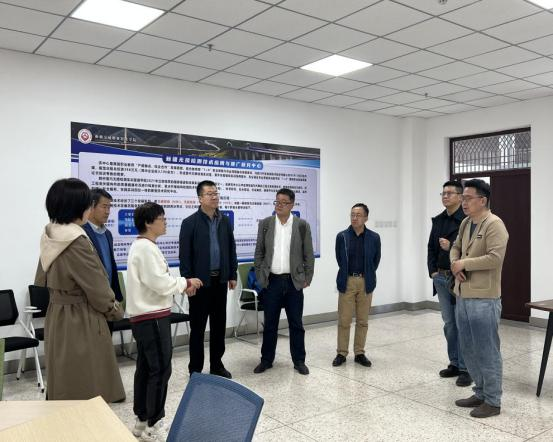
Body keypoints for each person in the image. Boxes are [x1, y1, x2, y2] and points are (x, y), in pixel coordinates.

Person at [35, 178, 125, 402]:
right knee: (85, 381)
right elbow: (97, 287)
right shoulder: (76, 240)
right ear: (79, 207)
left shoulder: (50, 235)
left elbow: (41, 279)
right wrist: (115, 310)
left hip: (57, 314)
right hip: (80, 317)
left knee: (62, 374)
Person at [127, 202, 202, 441]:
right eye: (162, 218)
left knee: (146, 369)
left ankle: (141, 421)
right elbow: (159, 282)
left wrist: (180, 284)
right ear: (149, 223)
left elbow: (158, 280)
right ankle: (154, 423)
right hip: (152, 317)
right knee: (160, 370)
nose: (165, 222)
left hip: (145, 317)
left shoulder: (142, 246)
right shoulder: (145, 248)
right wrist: (185, 283)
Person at [451, 179, 509, 418]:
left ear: (482, 200)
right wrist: (455, 264)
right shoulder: (466, 223)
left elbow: (495, 258)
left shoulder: (495, 224)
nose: (463, 202)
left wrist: (464, 263)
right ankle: (481, 392)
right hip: (463, 295)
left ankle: (493, 401)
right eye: (462, 198)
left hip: (484, 298)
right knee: (468, 348)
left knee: (487, 350)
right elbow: (455, 247)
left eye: (467, 198)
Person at [253, 188, 315, 375]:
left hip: (293, 282)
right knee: (270, 324)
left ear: (292, 204)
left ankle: (299, 361)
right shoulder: (266, 224)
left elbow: (308, 254)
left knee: (296, 324)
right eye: (277, 202)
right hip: (271, 281)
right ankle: (266, 360)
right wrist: (261, 276)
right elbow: (259, 252)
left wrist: (307, 278)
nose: (279, 205)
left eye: (283, 202)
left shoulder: (301, 225)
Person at [179, 180, 237, 378]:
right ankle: (195, 369)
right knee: (198, 328)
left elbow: (231, 249)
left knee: (219, 326)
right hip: (199, 284)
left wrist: (232, 274)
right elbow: (184, 255)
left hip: (220, 282)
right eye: (210, 194)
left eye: (216, 193)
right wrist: (188, 281)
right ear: (200, 198)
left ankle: (216, 365)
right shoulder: (190, 223)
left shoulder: (225, 221)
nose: (214, 197)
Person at [427, 181, 472, 387]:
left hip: (460, 278)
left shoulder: (467, 221)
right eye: (443, 193)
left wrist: (451, 246)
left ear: (460, 197)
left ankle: (466, 368)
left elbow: (471, 250)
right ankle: (454, 363)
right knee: (449, 324)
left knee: (462, 323)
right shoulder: (438, 220)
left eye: (449, 193)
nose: (445, 196)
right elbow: (430, 248)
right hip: (441, 277)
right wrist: (433, 271)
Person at [333, 203, 380, 368]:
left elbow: (376, 260)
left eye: (358, 215)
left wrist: (366, 274)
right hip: (347, 281)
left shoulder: (374, 237)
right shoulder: (342, 236)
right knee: (344, 320)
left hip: (366, 282)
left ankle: (359, 353)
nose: (354, 218)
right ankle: (341, 353)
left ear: (366, 218)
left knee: (362, 320)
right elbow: (339, 259)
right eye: (352, 214)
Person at [82, 188, 123, 334]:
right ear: (91, 206)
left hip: (108, 299)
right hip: (91, 301)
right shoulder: (81, 233)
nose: (108, 211)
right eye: (104, 206)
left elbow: (110, 265)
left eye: (109, 207)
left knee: (107, 340)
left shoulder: (107, 234)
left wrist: (116, 297)